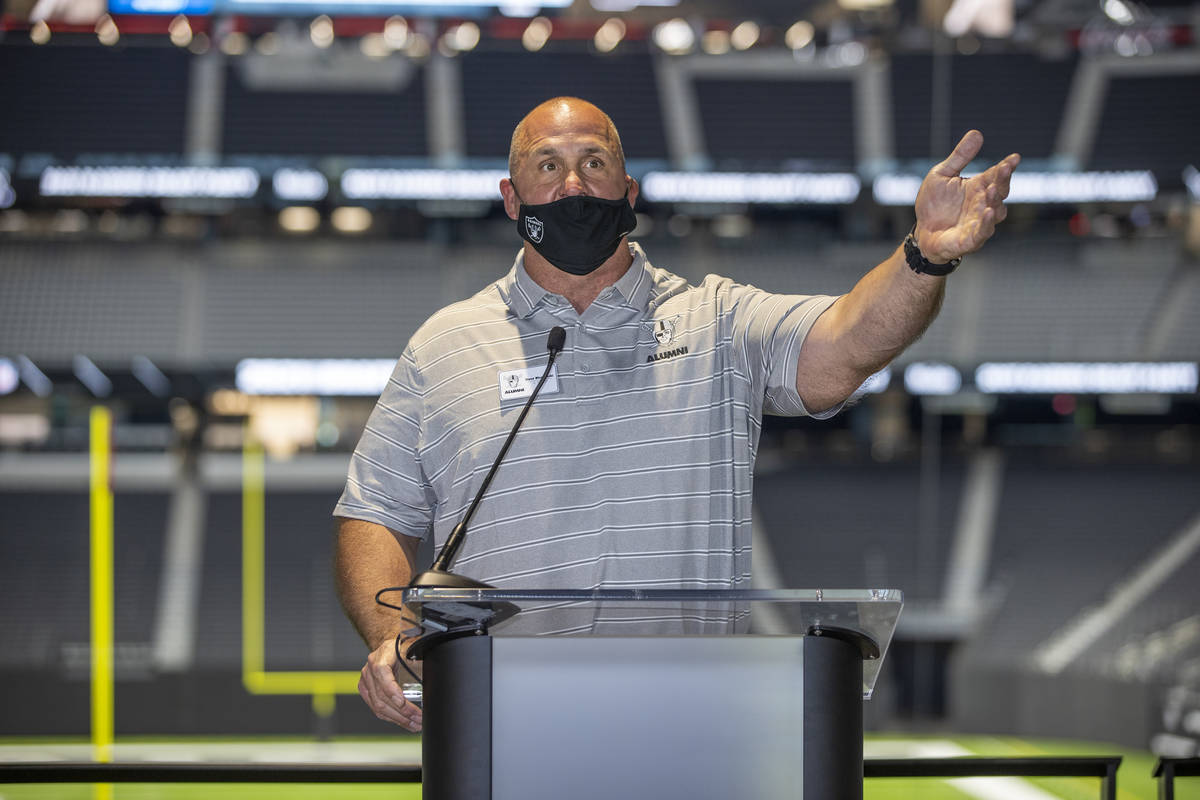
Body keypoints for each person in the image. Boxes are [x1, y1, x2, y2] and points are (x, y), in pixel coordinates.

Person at [334, 96, 1020, 732]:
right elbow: (374, 512)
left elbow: (847, 343)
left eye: (594, 163)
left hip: (692, 723)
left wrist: (922, 257)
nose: (573, 186)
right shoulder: (443, 343)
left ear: (629, 193)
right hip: (496, 720)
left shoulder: (718, 319)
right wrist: (391, 635)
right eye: (548, 166)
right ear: (511, 198)